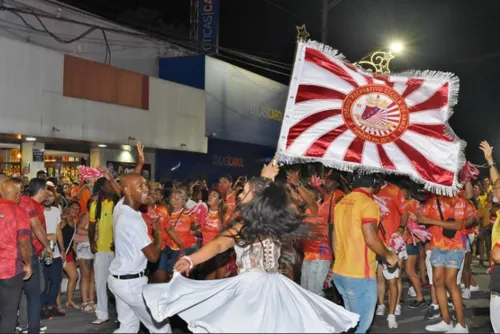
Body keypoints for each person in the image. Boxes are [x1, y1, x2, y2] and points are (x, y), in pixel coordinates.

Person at [142, 163, 360, 333]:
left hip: (257, 289)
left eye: (245, 192)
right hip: (269, 286)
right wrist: (191, 259)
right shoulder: (263, 221)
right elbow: (219, 243)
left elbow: (219, 244)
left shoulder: (254, 223)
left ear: (256, 197)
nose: (240, 196)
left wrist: (191, 260)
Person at [332, 173, 399, 334]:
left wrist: (341, 258)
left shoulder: (341, 203)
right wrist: (389, 255)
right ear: (374, 183)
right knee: (361, 326)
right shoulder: (368, 204)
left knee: (351, 322)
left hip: (340, 272)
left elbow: (334, 236)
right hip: (359, 275)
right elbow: (370, 238)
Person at [108, 173, 171, 333]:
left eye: (146, 185)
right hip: (131, 283)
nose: (147, 190)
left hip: (119, 280)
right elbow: (153, 256)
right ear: (128, 191)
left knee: (128, 327)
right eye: (141, 186)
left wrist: (139, 165)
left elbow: (125, 185)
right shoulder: (132, 220)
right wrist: (157, 232)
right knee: (161, 326)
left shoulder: (120, 207)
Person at [18, 178, 51, 334]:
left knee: (29, 290)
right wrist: (44, 247)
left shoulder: (30, 204)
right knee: (34, 290)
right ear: (41, 190)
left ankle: (26, 323)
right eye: (47, 189)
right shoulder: (28, 204)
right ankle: (30, 325)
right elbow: (35, 228)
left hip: (25, 251)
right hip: (28, 252)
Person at [0, 180, 33, 333]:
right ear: (15, 194)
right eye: (19, 193)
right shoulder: (19, 212)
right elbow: (24, 243)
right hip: (10, 270)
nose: (21, 195)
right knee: (9, 313)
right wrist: (28, 263)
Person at [41, 187, 65, 318]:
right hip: (43, 251)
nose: (48, 197)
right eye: (46, 195)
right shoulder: (38, 211)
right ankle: (43, 307)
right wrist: (48, 237)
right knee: (44, 282)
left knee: (56, 281)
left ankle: (51, 305)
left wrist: (62, 249)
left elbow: (58, 231)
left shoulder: (56, 210)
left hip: (55, 252)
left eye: (51, 195)